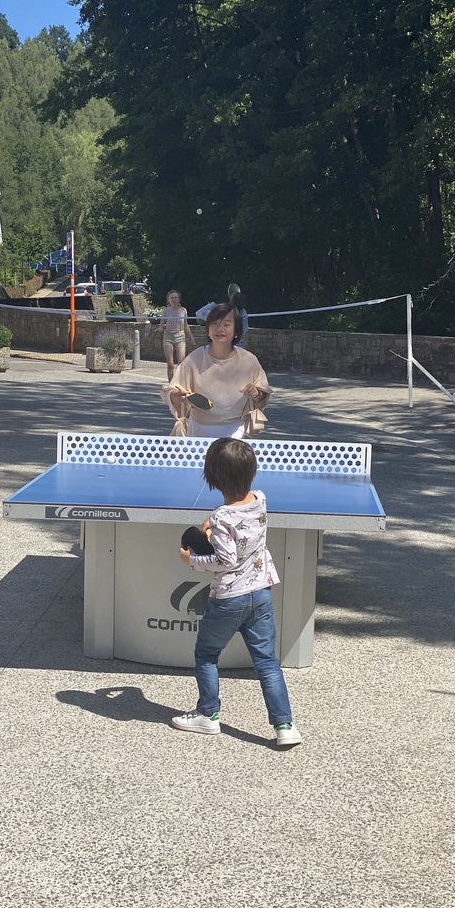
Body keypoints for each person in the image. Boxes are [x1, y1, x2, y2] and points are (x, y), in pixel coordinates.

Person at [172, 438, 302, 747]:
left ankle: (207, 715)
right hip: (261, 593)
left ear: (212, 477)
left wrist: (191, 560)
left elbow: (224, 560)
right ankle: (285, 727)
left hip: (229, 599)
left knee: (206, 655)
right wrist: (212, 524)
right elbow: (239, 527)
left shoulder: (221, 517)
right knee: (267, 663)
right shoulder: (260, 498)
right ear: (251, 472)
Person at [162, 302, 270, 439]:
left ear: (236, 331)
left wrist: (256, 393)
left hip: (236, 434)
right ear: (207, 329)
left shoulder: (249, 361)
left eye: (226, 324)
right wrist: (176, 395)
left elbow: (262, 397)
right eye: (214, 324)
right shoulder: (193, 360)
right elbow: (172, 392)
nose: (219, 329)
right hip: (199, 434)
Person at [158, 289, 196, 381]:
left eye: (175, 298)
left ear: (179, 299)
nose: (173, 300)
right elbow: (161, 325)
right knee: (170, 364)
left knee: (181, 363)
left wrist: (191, 338)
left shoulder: (183, 311)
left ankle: (179, 382)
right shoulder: (166, 311)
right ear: (168, 300)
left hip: (180, 336)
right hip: (168, 336)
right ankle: (171, 384)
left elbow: (186, 325)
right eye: (172, 298)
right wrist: (160, 328)